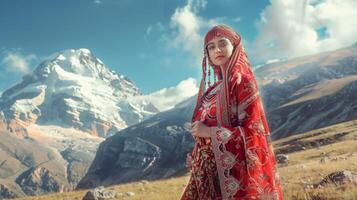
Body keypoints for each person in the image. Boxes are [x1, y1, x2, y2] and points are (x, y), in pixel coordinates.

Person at [180, 24, 284, 200]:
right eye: (211, 47)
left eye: (222, 43)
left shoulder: (243, 82)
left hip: (237, 174)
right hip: (208, 174)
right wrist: (196, 152)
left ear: (235, 46)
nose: (217, 50)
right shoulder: (211, 90)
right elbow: (206, 127)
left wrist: (211, 133)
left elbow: (254, 133)